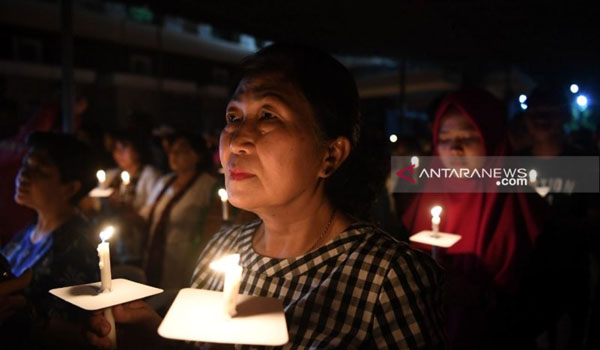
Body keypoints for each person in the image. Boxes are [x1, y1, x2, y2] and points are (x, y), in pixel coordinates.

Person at [87, 43, 446, 350]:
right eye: (233, 116)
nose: (237, 140)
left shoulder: (386, 277)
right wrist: (158, 340)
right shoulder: (222, 248)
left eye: (269, 115)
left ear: (330, 155)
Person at [402, 88, 548, 350]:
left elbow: (541, 299)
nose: (454, 148)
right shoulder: (425, 196)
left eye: (469, 136)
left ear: (492, 138)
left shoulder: (519, 202)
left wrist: (477, 297)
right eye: (444, 137)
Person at [0, 132, 99, 349]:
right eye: (26, 164)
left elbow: (81, 331)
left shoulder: (78, 248)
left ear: (70, 188)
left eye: (39, 170)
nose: (23, 174)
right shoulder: (32, 228)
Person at [140, 132, 218, 291]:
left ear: (198, 155)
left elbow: (212, 226)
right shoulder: (165, 181)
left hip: (183, 260)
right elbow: (146, 215)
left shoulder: (208, 186)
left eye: (181, 151)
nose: (174, 156)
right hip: (155, 256)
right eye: (171, 151)